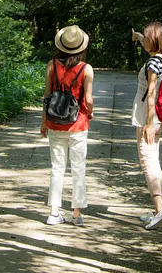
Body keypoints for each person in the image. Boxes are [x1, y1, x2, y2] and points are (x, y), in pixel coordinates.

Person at [41, 24, 94, 226]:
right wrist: (90, 112)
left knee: (57, 168)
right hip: (78, 124)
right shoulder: (86, 69)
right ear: (81, 47)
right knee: (79, 168)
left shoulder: (51, 65)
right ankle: (77, 214)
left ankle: (54, 213)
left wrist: (44, 122)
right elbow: (88, 100)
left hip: (55, 123)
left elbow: (47, 96)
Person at [131, 21, 162, 230]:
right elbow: (145, 41)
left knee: (148, 163)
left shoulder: (152, 65)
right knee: (153, 159)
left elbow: (152, 94)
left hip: (149, 118)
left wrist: (148, 124)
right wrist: (138, 35)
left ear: (153, 41)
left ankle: (160, 208)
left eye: (146, 37)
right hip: (158, 118)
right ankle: (158, 210)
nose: (143, 40)